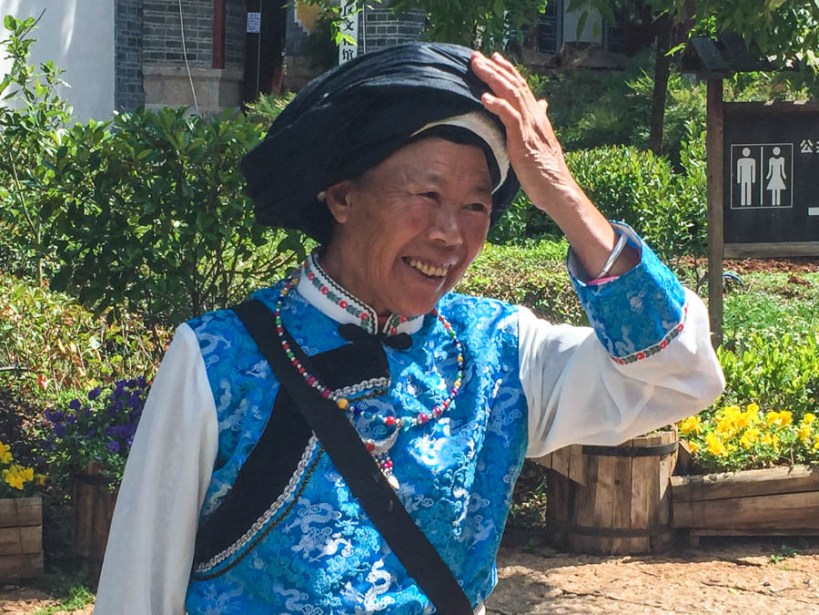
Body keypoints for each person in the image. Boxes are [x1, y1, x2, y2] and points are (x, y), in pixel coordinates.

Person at [94, 42, 724, 614]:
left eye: (476, 204)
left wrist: (562, 192)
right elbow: (137, 591)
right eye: (427, 195)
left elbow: (682, 375)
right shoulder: (216, 357)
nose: (451, 235)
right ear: (342, 198)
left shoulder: (501, 352)